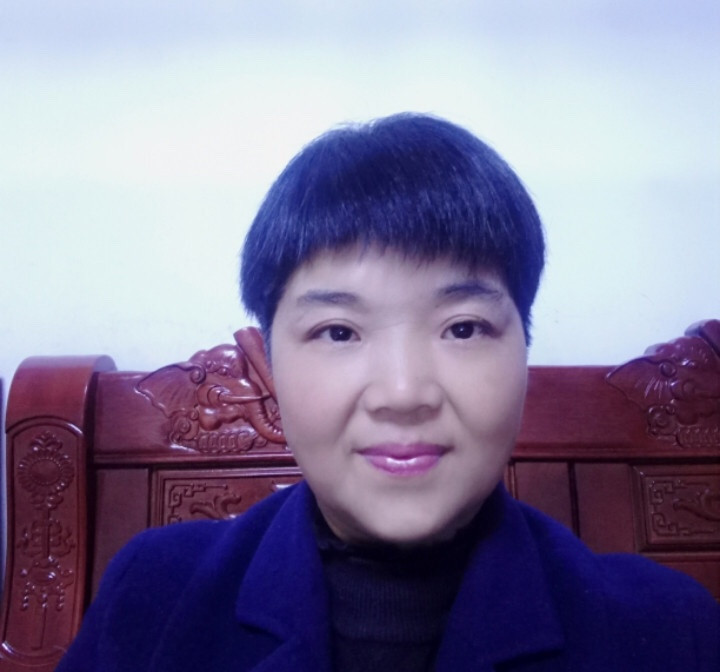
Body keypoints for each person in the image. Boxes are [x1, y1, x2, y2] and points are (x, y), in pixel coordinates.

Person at [57, 114, 719, 671]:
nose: (403, 393)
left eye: (463, 327)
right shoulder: (154, 598)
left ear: (524, 350)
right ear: (268, 365)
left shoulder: (666, 631)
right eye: (339, 332)